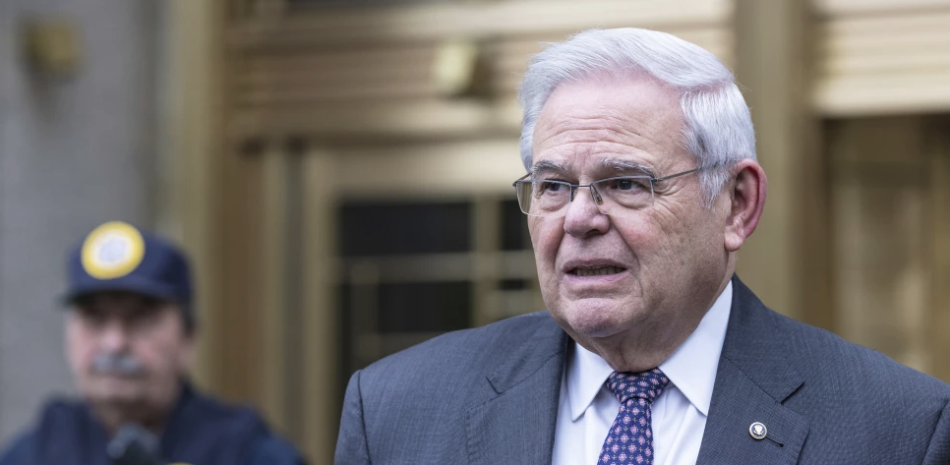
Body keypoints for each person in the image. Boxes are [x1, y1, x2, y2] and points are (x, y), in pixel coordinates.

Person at [335, 28, 950, 464]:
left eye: (626, 183)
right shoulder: (397, 410)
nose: (579, 219)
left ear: (737, 204)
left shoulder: (897, 428)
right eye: (554, 186)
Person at [0, 221, 306, 465]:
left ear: (188, 338)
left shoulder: (246, 453)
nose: (114, 344)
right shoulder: (32, 454)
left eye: (140, 319)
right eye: (95, 319)